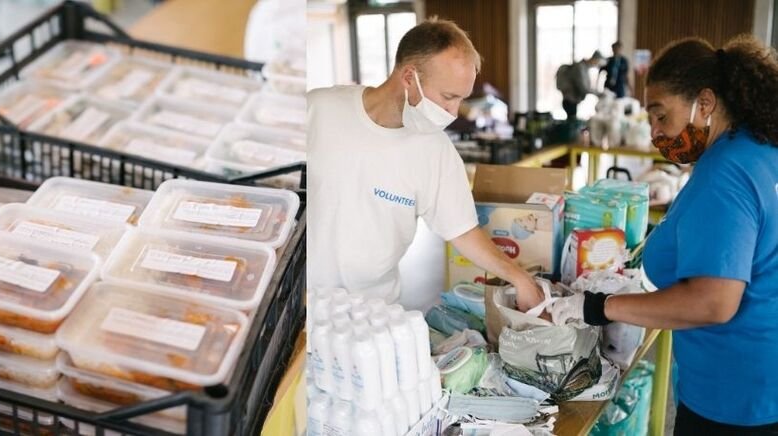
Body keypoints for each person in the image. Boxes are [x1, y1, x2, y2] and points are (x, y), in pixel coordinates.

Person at [550, 35, 778, 434]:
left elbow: (714, 302)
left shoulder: (725, 172)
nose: (655, 132)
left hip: (733, 394)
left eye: (661, 115)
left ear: (704, 103)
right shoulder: (760, 151)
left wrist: (600, 307)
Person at [307, 19, 544, 310]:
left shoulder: (435, 150)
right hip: (299, 300)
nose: (454, 112)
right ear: (409, 77)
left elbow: (464, 230)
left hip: (371, 310)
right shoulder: (318, 110)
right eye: (448, 97)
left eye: (461, 99)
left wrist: (520, 279)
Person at [556, 51, 604, 119]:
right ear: (595, 59)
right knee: (572, 121)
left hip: (572, 100)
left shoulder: (584, 67)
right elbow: (583, 87)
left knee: (572, 120)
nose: (597, 65)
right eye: (597, 62)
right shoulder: (580, 67)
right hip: (570, 100)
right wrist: (599, 94)